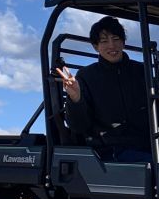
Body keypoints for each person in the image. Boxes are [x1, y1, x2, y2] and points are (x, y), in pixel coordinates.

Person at [58, 16, 152, 162]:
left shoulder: (142, 71)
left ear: (123, 42)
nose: (111, 46)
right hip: (109, 150)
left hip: (147, 145)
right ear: (96, 46)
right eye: (104, 41)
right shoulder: (86, 76)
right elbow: (79, 126)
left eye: (115, 39)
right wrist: (76, 98)